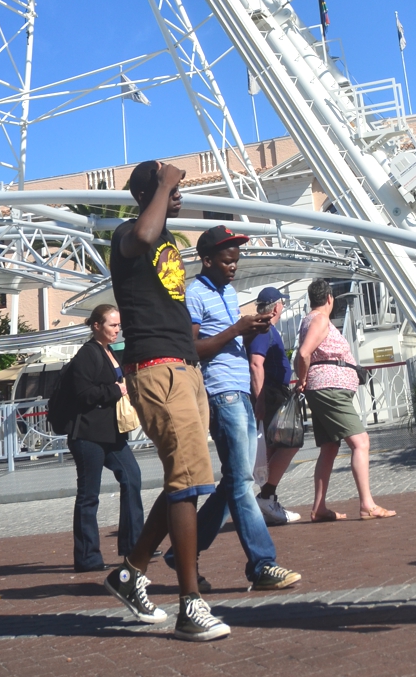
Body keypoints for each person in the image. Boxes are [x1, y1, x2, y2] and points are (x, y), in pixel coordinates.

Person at [106, 159, 230, 643]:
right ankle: (190, 605)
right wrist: (162, 183)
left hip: (184, 367)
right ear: (148, 191)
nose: (178, 189)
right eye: (168, 185)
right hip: (156, 367)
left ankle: (131, 571)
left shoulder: (168, 240)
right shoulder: (128, 234)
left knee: (185, 480)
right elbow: (143, 233)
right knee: (186, 484)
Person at [185, 227, 301, 591]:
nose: (234, 266)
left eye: (236, 259)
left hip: (240, 391)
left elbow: (232, 341)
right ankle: (262, 564)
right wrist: (237, 328)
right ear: (207, 260)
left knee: (235, 481)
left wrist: (251, 331)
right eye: (227, 260)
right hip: (222, 392)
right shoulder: (195, 292)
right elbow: (193, 350)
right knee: (241, 482)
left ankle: (182, 554)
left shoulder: (229, 292)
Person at [294, 278, 395, 523]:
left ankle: (319, 508)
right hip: (330, 389)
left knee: (329, 447)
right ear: (329, 299)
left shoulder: (308, 320)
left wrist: (306, 379)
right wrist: (302, 378)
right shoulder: (319, 319)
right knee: (361, 442)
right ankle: (367, 504)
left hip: (324, 388)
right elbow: (304, 353)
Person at [68, 303, 144, 572]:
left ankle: (135, 545)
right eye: (113, 325)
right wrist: (116, 389)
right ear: (96, 326)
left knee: (132, 478)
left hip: (113, 434)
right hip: (88, 434)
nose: (117, 330)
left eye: (118, 325)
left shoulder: (110, 351)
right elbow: (84, 393)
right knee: (89, 496)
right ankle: (87, 557)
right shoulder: (87, 354)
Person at [248, 286, 302, 526]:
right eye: (282, 303)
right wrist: (259, 398)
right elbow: (255, 364)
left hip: (273, 393)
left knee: (273, 447)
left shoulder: (265, 330)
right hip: (270, 394)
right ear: (277, 306)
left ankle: (266, 499)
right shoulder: (265, 330)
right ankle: (267, 497)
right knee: (290, 441)